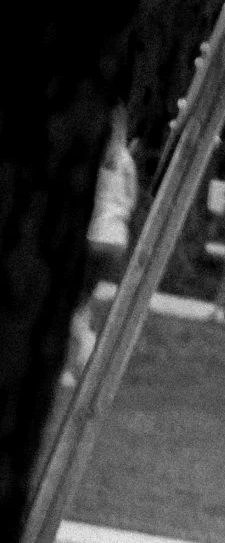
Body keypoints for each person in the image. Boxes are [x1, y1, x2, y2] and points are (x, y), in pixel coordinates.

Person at [60, 102, 138, 389]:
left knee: (69, 302)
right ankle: (83, 360)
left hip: (93, 238)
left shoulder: (88, 153)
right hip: (116, 240)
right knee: (82, 299)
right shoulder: (126, 159)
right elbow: (131, 201)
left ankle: (83, 350)